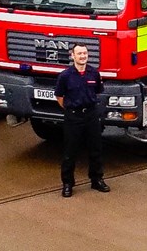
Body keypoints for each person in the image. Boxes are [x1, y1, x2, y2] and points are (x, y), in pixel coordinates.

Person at [54, 43, 110, 197]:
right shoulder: (65, 76)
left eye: (85, 53)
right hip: (73, 116)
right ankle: (67, 183)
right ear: (72, 56)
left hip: (91, 115)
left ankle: (96, 180)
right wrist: (71, 109)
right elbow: (59, 96)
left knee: (96, 149)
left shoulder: (94, 73)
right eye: (79, 53)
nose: (82, 56)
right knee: (70, 151)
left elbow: (98, 91)